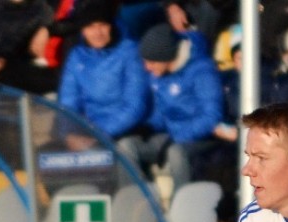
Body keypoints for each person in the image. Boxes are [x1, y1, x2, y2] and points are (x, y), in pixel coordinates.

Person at [116, 22, 223, 194]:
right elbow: (160, 114)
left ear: (166, 56)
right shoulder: (158, 74)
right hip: (168, 136)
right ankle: (138, 200)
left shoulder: (202, 71)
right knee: (126, 146)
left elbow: (211, 117)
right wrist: (144, 127)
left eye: (151, 62)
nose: (147, 67)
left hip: (199, 138)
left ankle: (181, 206)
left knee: (176, 152)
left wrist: (177, 137)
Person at [55, 0, 149, 151]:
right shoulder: (77, 56)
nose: (97, 33)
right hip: (87, 130)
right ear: (83, 31)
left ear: (111, 26)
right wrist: (69, 133)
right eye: (91, 27)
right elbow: (68, 102)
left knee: (111, 150)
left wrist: (97, 133)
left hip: (124, 131)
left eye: (102, 25)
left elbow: (135, 105)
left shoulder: (130, 51)